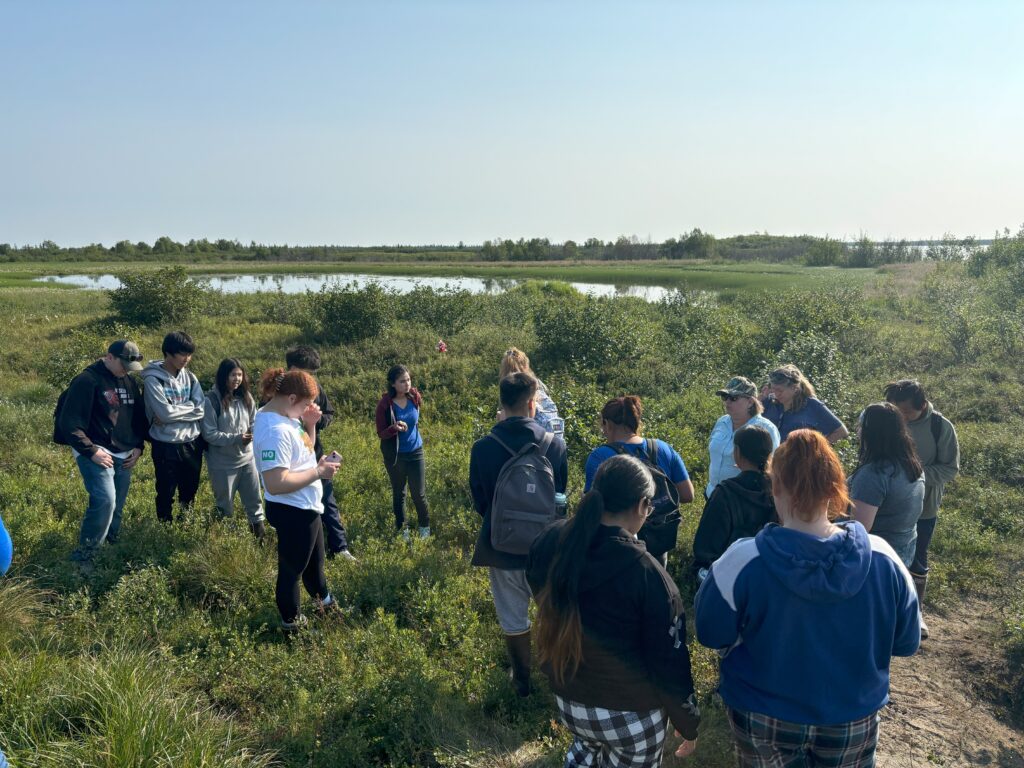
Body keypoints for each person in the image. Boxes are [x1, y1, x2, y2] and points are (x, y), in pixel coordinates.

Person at [695, 429, 920, 768]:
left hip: (761, 711)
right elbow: (906, 642)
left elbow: (710, 633)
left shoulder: (740, 561)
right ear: (835, 489)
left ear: (776, 486)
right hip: (851, 713)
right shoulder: (883, 558)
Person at [527, 454, 700, 765]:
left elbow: (540, 589)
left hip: (571, 702)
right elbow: (668, 660)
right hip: (631, 716)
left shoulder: (553, 540)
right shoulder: (649, 574)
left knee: (588, 750)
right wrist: (687, 722)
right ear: (641, 506)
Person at [470, 372, 568, 697]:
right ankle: (557, 674)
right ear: (532, 403)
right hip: (545, 552)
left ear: (501, 402)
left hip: (501, 549)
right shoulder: (555, 446)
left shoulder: (483, 448)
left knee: (513, 618)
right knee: (551, 612)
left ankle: (522, 682)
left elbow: (481, 502)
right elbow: (560, 502)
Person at [253, 368, 342, 630]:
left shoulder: (285, 416)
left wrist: (311, 426)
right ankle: (292, 626)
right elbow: (276, 483)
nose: (306, 410)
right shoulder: (274, 430)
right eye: (305, 405)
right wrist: (318, 472)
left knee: (315, 564)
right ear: (291, 398)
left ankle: (325, 607)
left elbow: (304, 451)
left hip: (306, 506)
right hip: (292, 510)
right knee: (291, 571)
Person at [57, 340, 148, 563]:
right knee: (105, 500)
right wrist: (91, 451)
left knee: (118, 503)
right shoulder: (87, 381)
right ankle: (85, 556)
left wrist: (139, 446)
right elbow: (69, 423)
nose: (126, 371)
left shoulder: (128, 381)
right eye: (123, 365)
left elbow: (137, 417)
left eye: (130, 367)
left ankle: (110, 543)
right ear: (109, 357)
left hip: (124, 451)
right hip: (95, 451)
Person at [884, 379, 959, 626]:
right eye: (897, 411)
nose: (902, 418)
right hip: (888, 505)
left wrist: (915, 475)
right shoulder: (890, 421)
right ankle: (887, 609)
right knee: (887, 558)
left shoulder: (940, 426)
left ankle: (914, 615)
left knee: (917, 558)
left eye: (906, 412)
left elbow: (949, 469)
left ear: (923, 405)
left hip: (924, 507)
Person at [286, 346, 355, 561]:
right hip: (289, 461)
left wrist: (315, 421)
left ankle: (340, 548)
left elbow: (329, 412)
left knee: (327, 500)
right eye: (308, 373)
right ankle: (310, 552)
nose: (311, 379)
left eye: (314, 375)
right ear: (294, 368)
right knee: (300, 508)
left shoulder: (314, 387)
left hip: (314, 454)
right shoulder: (276, 390)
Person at [692, 425, 776, 583]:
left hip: (730, 581)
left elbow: (705, 548)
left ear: (737, 452)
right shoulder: (779, 492)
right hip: (768, 579)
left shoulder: (725, 492)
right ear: (769, 454)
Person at [849, 403, 926, 569]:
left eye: (861, 426)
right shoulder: (912, 464)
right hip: (903, 553)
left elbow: (858, 530)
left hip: (876, 559)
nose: (858, 431)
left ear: (871, 433)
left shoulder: (874, 474)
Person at [141, 331, 205, 523]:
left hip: (192, 442)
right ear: (168, 353)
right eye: (183, 354)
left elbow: (201, 409)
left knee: (190, 488)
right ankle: (165, 526)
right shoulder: (153, 379)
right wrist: (187, 409)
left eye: (189, 354)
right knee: (165, 490)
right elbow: (164, 414)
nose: (187, 359)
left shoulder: (191, 377)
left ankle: (185, 523)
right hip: (165, 443)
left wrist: (172, 413)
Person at [201, 358, 266, 540]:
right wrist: (237, 438)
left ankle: (260, 540)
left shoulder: (246, 397)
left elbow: (254, 421)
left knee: (255, 502)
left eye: (239, 374)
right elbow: (210, 434)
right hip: (222, 464)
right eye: (232, 375)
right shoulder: (212, 400)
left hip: (247, 460)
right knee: (225, 506)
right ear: (224, 376)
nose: (237, 379)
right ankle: (226, 544)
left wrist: (252, 432)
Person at [375, 364, 430, 539]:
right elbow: (381, 433)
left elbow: (417, 418)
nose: (406, 384)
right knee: (400, 493)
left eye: (408, 380)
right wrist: (394, 428)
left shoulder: (414, 396)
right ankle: (403, 532)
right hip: (396, 456)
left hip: (416, 452)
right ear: (392, 384)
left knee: (419, 494)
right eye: (402, 381)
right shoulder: (385, 405)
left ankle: (425, 530)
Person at [706, 376, 780, 499]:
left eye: (734, 398)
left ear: (750, 402)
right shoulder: (722, 422)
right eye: (725, 397)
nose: (727, 402)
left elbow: (772, 468)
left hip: (744, 500)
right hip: (713, 495)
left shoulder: (765, 428)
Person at [762, 364, 849, 443]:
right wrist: (760, 398)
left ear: (794, 388)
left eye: (780, 390)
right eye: (773, 389)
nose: (776, 394)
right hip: (771, 459)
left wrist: (815, 450)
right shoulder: (768, 402)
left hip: (799, 460)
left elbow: (841, 431)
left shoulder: (812, 405)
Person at [498, 347, 564, 439]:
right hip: (552, 444)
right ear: (526, 367)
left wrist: (501, 424)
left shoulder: (508, 391)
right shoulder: (539, 388)